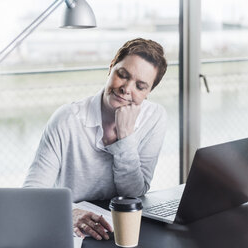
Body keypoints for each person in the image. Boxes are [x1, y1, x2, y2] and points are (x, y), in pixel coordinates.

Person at [23, 38, 168, 240]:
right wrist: (69, 213)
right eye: (122, 75)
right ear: (111, 69)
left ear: (148, 93)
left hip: (120, 228)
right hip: (73, 228)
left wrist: (125, 138)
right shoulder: (67, 119)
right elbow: (31, 195)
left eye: (140, 86)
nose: (126, 88)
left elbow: (134, 193)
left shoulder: (154, 118)